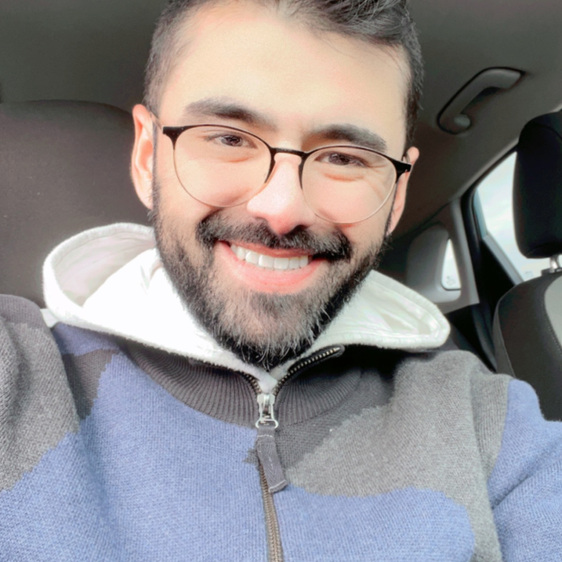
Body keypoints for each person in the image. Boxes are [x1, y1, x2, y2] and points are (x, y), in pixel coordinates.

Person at [1, 0, 561, 560]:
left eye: (345, 157)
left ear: (396, 197)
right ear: (148, 157)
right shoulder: (19, 378)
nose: (282, 209)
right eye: (228, 138)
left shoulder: (488, 422)